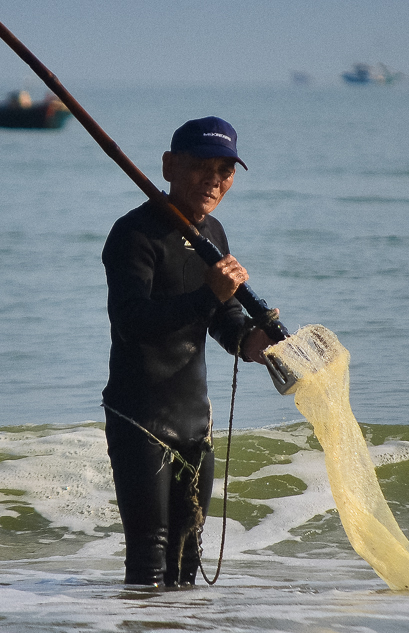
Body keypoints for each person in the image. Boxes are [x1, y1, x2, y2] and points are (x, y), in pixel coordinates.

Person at [101, 116, 276, 587]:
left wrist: (250, 342)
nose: (213, 179)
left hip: (195, 423)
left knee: (187, 563)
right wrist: (209, 295)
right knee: (150, 561)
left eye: (225, 169)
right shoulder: (133, 235)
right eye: (201, 165)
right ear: (169, 166)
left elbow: (221, 319)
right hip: (140, 419)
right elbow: (132, 320)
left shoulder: (213, 235)